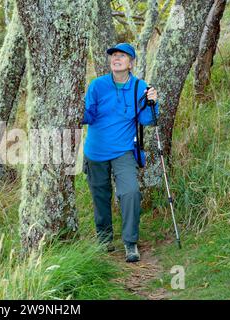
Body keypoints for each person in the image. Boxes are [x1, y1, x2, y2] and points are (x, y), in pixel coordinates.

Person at [82, 43, 159, 263]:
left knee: (130, 192)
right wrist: (76, 109)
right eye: (113, 55)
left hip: (123, 151)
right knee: (100, 196)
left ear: (131, 62)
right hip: (95, 152)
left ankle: (130, 242)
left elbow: (148, 120)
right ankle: (104, 240)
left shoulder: (139, 86)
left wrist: (153, 102)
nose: (116, 58)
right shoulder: (97, 85)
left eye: (122, 56)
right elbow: (87, 116)